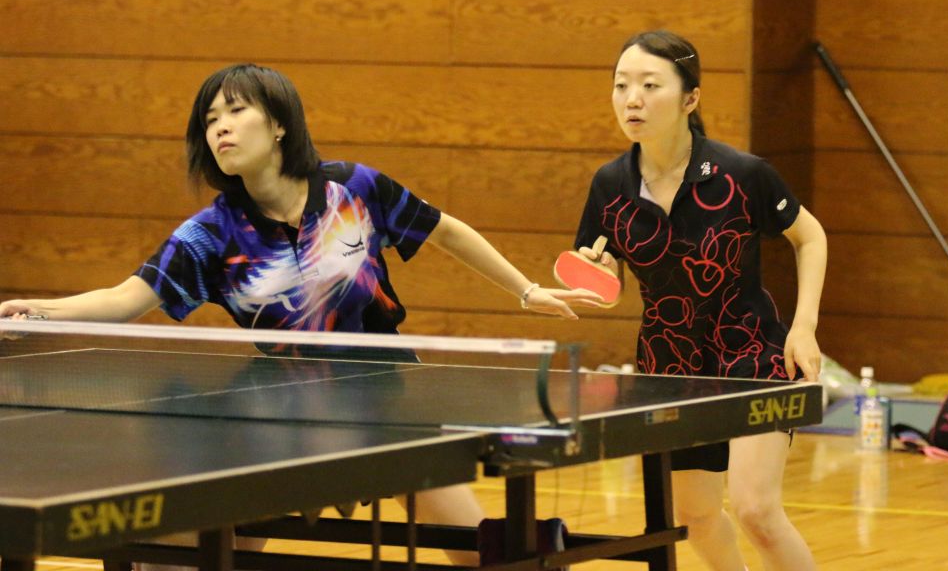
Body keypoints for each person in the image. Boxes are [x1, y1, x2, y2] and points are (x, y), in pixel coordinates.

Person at [0, 62, 602, 568]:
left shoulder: (354, 189)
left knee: (480, 554)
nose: (220, 127)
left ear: (279, 123)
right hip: (284, 414)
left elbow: (446, 230)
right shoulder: (211, 234)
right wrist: (37, 311)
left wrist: (526, 291)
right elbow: (126, 297)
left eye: (235, 111)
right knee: (191, 555)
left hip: (389, 401)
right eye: (209, 120)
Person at [571, 30, 825, 571]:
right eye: (621, 85)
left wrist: (803, 327)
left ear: (690, 98)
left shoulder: (742, 174)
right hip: (669, 368)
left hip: (752, 357)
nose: (632, 99)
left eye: (649, 85)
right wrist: (601, 274)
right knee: (695, 517)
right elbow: (604, 277)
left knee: (756, 511)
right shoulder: (609, 185)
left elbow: (810, 237)